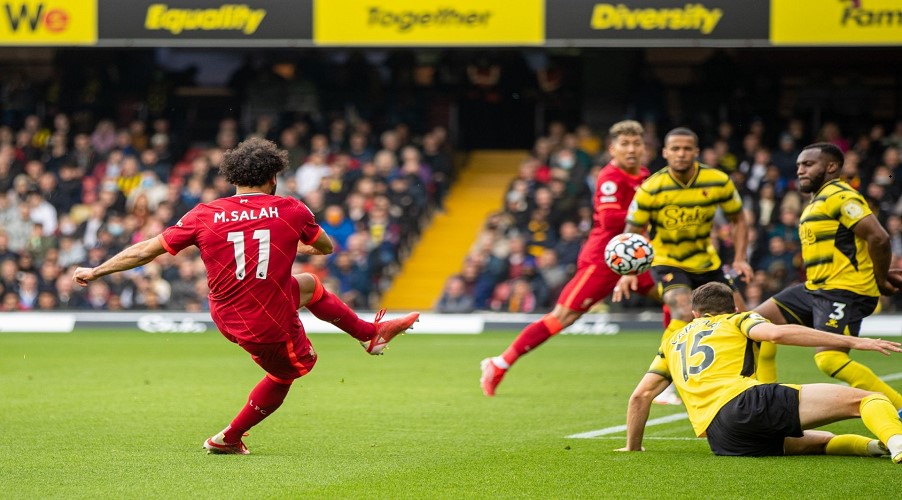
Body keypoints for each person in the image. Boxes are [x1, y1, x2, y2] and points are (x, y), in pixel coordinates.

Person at [72, 137, 420, 455]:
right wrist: (293, 242)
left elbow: (145, 251)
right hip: (266, 321)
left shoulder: (204, 214)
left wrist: (96, 270)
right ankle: (227, 438)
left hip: (227, 314)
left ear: (233, 178)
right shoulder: (291, 210)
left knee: (309, 286)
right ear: (273, 178)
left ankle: (369, 335)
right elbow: (325, 247)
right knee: (286, 374)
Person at [619, 282, 902, 462]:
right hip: (746, 402)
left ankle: (877, 447)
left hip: (722, 437)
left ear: (695, 313)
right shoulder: (738, 319)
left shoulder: (671, 341)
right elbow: (775, 334)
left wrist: (633, 446)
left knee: (819, 441)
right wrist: (853, 341)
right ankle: (898, 443)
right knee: (869, 400)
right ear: (733, 308)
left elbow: (640, 396)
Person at [480, 120, 659, 396]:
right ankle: (500, 363)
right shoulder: (610, 178)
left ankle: (669, 377)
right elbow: (610, 219)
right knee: (562, 317)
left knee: (676, 300)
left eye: (637, 143)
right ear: (612, 148)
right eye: (625, 144)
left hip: (635, 257)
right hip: (603, 260)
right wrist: (653, 210)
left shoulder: (645, 174)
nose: (632, 149)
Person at [754, 143, 902, 409]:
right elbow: (854, 246)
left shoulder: (840, 196)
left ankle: (899, 406)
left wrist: (879, 279)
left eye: (808, 164)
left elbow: (878, 237)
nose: (800, 170)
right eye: (799, 165)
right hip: (816, 288)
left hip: (845, 290)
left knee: (829, 360)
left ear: (831, 166)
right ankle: (768, 404)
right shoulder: (817, 201)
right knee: (757, 325)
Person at [613, 126, 754, 405]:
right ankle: (664, 382)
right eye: (675, 149)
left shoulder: (717, 181)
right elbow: (632, 231)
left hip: (707, 262)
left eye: (687, 149)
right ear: (665, 152)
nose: (681, 154)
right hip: (667, 261)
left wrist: (740, 258)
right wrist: (629, 272)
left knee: (745, 318)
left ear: (696, 152)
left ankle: (753, 383)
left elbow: (738, 219)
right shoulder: (651, 187)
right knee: (681, 309)